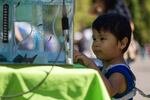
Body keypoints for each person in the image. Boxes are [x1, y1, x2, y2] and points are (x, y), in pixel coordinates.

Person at [74, 13, 136, 100]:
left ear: (122, 43)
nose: (96, 44)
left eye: (102, 39)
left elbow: (107, 91)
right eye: (94, 39)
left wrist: (91, 64)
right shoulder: (105, 68)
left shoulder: (119, 74)